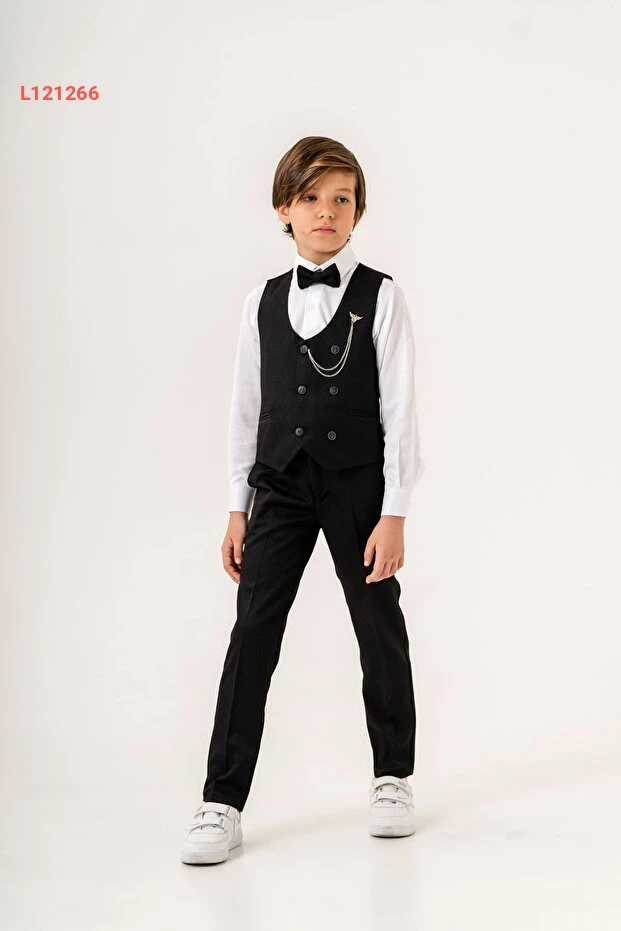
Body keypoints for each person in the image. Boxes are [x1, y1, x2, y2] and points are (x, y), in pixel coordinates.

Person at [181, 136, 425, 865]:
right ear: (284, 209)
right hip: (279, 486)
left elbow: (400, 409)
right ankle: (221, 799)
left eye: (341, 199)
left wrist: (394, 511)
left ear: (357, 212)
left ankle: (392, 776)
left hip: (357, 485)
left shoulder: (382, 296)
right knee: (252, 632)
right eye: (311, 197)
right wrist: (237, 506)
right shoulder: (260, 301)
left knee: (377, 627)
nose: (326, 211)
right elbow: (244, 407)